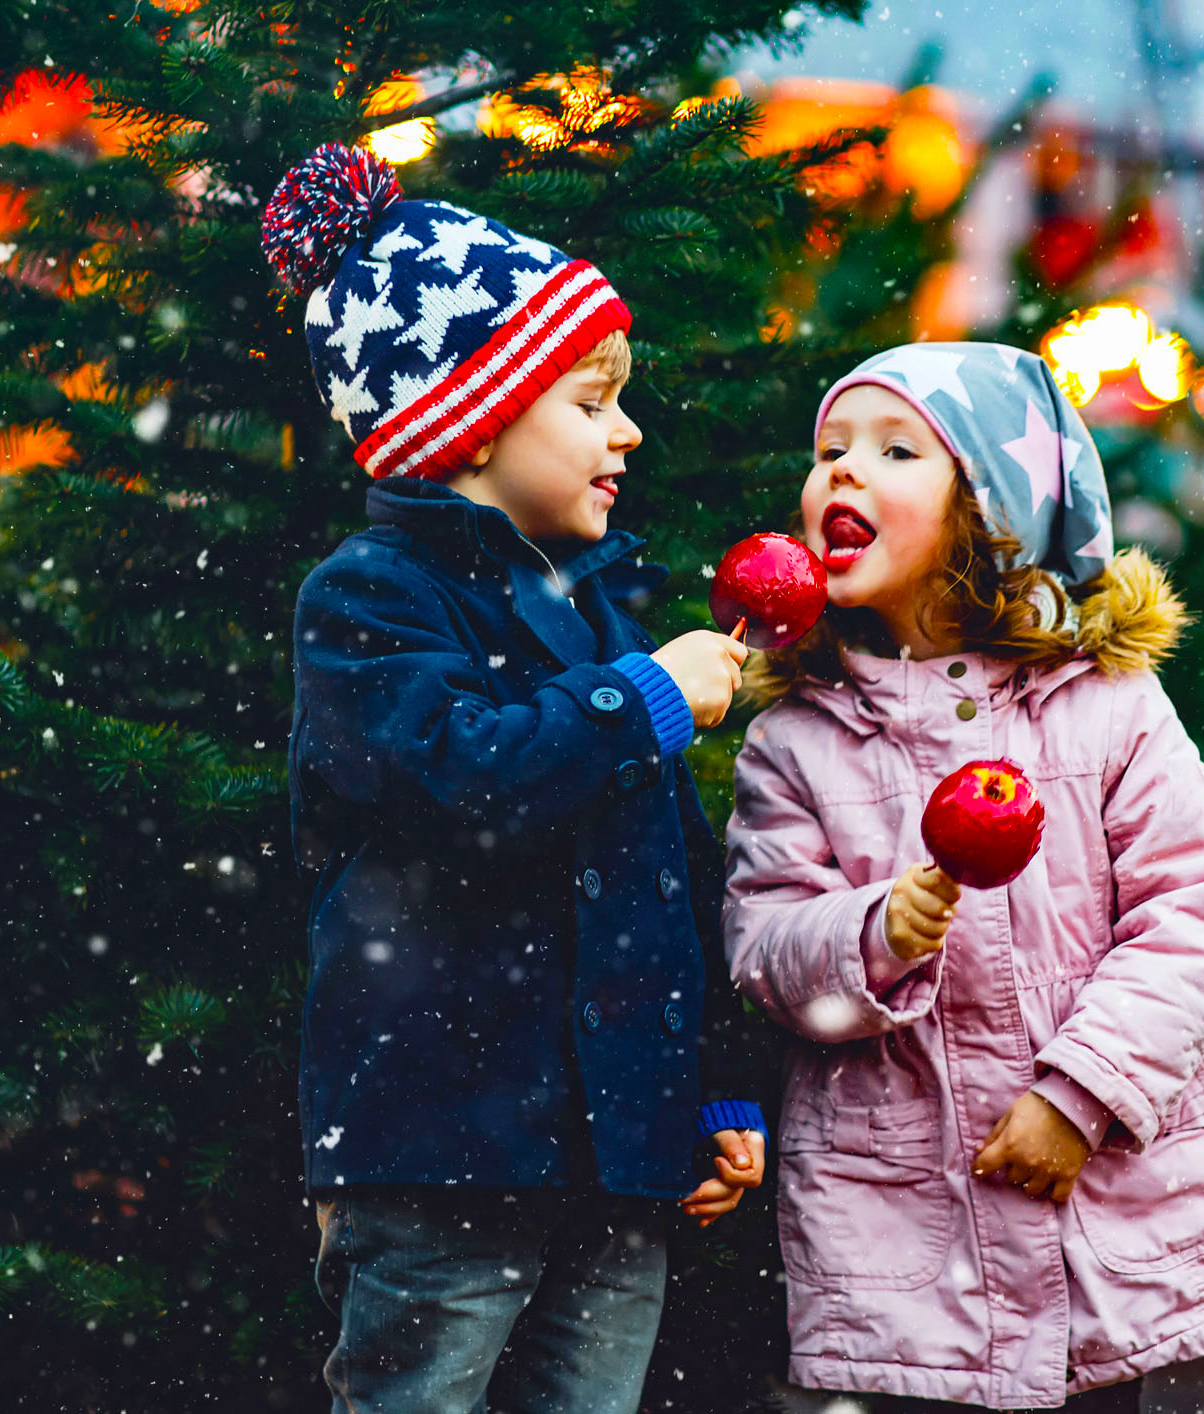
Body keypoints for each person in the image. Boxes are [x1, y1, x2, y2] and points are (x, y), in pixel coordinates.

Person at [267, 145, 764, 1414]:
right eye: (592, 401)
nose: (628, 431)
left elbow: (668, 872)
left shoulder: (597, 613)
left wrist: (706, 1084)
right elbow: (463, 779)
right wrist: (643, 699)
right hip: (444, 1146)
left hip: (616, 1153)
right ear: (475, 409)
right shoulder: (372, 599)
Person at [722, 342, 1204, 1412]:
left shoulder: (1104, 705)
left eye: (894, 450)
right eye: (828, 450)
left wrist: (1080, 1096)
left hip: (1100, 1216)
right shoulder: (796, 742)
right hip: (908, 1238)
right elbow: (764, 949)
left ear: (993, 510)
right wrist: (874, 928)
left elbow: (1195, 908)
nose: (841, 472)